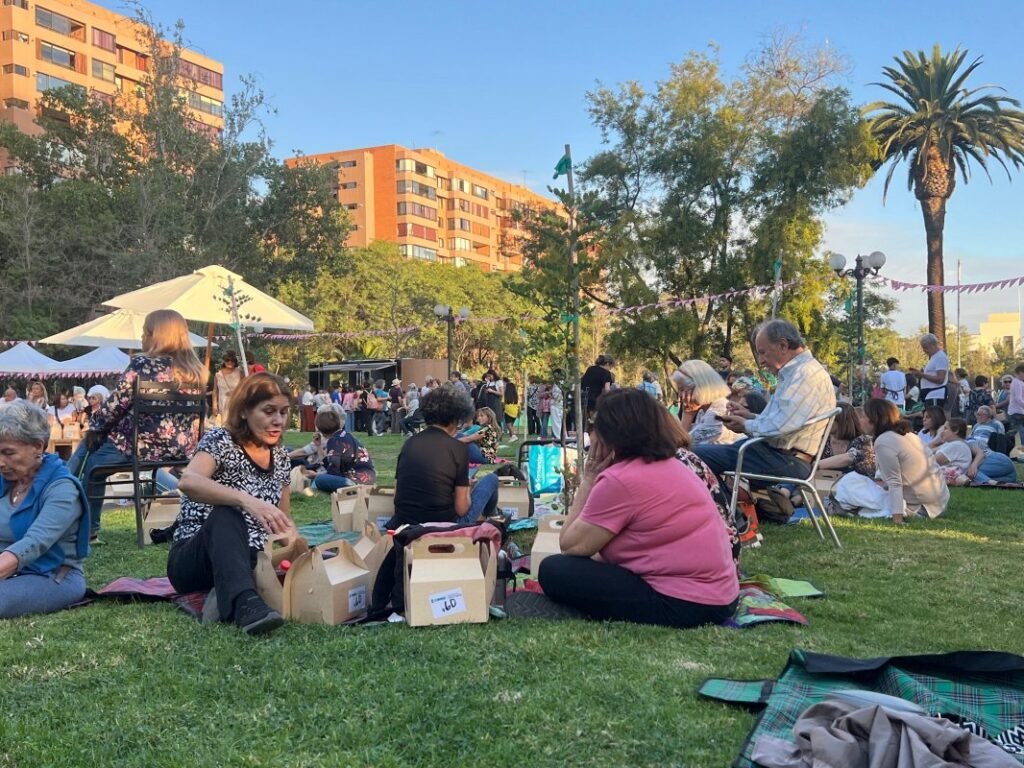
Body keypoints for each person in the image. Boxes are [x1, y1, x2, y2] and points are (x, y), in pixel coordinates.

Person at [538, 389, 739, 628]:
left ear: (609, 434)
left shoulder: (621, 480)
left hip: (685, 603)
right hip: (721, 596)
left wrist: (590, 477)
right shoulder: (673, 465)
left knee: (554, 570)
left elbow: (570, 545)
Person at [168, 373, 294, 635]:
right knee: (228, 513)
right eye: (269, 411)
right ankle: (244, 604)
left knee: (260, 558)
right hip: (195, 558)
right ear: (245, 411)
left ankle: (224, 590)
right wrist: (247, 501)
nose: (278, 421)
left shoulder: (281, 457)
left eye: (283, 412)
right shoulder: (221, 441)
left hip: (248, 556)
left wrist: (305, 555)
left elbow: (283, 525)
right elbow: (188, 481)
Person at [68, 309, 207, 541]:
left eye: (145, 332)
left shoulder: (142, 364)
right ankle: (59, 489)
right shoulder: (197, 370)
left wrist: (97, 427)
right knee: (92, 443)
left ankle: (83, 525)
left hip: (138, 448)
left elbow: (115, 404)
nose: (142, 338)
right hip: (182, 450)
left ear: (156, 335)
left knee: (92, 461)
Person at [695, 320, 836, 483]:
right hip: (776, 454)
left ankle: (722, 507)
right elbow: (782, 421)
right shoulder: (796, 373)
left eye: (762, 352)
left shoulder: (805, 374)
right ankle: (727, 506)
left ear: (783, 346)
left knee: (692, 455)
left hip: (787, 460)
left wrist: (745, 424)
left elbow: (780, 427)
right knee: (693, 453)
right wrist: (748, 417)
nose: (760, 361)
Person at [0, 401, 90, 618]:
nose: (1, 462)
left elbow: (34, 543)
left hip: (52, 575)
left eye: (8, 453)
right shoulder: (4, 481)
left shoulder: (63, 489)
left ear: (38, 447)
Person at [387, 385, 500, 528]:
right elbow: (462, 508)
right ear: (456, 419)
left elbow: (397, 495)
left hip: (406, 523)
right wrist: (464, 488)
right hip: (444, 526)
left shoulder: (409, 444)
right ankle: (491, 516)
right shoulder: (458, 448)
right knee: (491, 479)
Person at [864, 398, 948, 524]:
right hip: (940, 501)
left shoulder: (883, 441)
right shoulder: (910, 435)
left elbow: (894, 482)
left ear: (874, 419)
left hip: (922, 508)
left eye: (863, 416)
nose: (860, 420)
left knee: (850, 485)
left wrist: (897, 518)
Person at [671, 360, 738, 446]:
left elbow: (680, 445)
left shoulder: (717, 412)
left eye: (682, 389)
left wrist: (687, 414)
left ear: (699, 387)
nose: (680, 395)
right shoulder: (705, 410)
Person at [309, 407, 376, 493]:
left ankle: (312, 489)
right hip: (368, 479)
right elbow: (329, 463)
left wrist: (316, 475)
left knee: (319, 479)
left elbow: (333, 470)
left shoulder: (334, 441)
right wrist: (318, 446)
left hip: (354, 482)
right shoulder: (347, 436)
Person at [816, 403, 875, 477]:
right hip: (824, 485)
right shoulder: (823, 441)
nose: (825, 423)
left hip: (859, 485)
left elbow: (850, 457)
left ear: (841, 421)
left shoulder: (863, 441)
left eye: (829, 419)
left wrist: (814, 465)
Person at [907, 333, 949, 411]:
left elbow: (940, 379)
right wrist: (920, 374)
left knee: (934, 419)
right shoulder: (933, 357)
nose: (924, 351)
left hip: (935, 393)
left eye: (925, 348)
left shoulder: (940, 357)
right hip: (929, 394)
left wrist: (922, 374)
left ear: (933, 345)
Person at [580, 354, 616, 426]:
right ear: (607, 364)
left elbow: (583, 382)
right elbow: (607, 390)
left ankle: (585, 432)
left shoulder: (590, 369)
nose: (610, 369)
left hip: (585, 397)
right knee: (595, 420)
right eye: (611, 367)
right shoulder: (606, 373)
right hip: (596, 399)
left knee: (585, 420)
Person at [212, 351, 242, 426]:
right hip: (222, 404)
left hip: (235, 403)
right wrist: (214, 405)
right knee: (224, 425)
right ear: (224, 361)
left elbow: (245, 387)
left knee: (235, 425)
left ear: (235, 361)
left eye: (232, 360)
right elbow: (215, 391)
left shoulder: (239, 372)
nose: (230, 362)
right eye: (227, 360)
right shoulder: (218, 375)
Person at [1007, 364, 1024, 443]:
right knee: (1020, 434)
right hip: (1017, 412)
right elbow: (1018, 398)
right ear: (1020, 372)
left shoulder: (1018, 382)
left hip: (1017, 411)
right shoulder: (1017, 383)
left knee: (1019, 433)